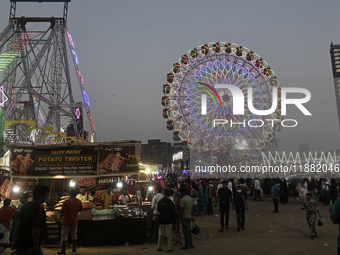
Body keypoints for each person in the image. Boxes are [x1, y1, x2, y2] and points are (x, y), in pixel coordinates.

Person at [14, 184, 50, 255]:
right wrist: (36, 245)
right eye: (46, 196)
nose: (47, 198)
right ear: (40, 196)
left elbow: (18, 223)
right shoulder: (38, 208)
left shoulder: (26, 206)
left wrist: (16, 240)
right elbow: (35, 228)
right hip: (31, 246)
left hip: (22, 243)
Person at [58, 189, 83, 254]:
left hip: (66, 220)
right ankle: (74, 248)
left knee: (64, 235)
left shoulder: (66, 201)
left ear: (70, 194)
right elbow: (81, 209)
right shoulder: (79, 201)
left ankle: (63, 250)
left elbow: (62, 210)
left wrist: (60, 216)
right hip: (74, 220)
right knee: (74, 234)